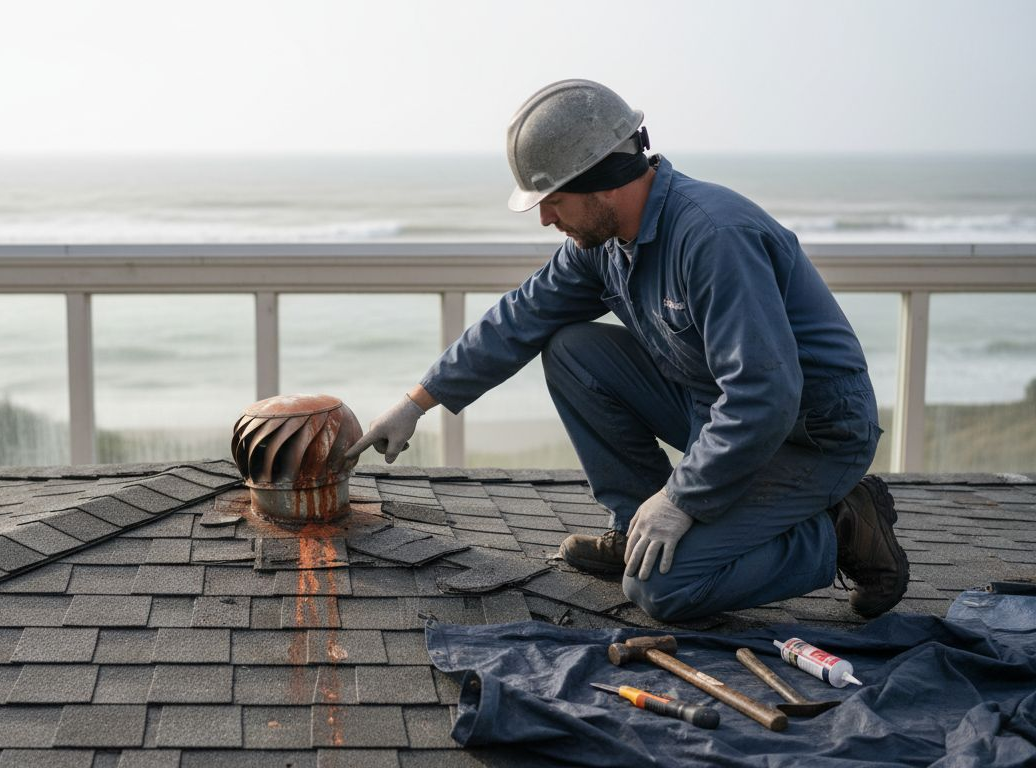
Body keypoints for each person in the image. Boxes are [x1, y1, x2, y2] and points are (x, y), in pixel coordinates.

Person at [345, 79, 909, 623]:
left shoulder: (713, 237)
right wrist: (418, 401)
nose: (545, 218)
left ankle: (841, 527)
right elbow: (520, 316)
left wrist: (684, 499)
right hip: (716, 416)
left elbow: (765, 396)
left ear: (603, 180)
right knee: (572, 348)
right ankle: (636, 525)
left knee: (662, 588)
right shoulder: (605, 243)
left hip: (808, 436)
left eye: (554, 200)